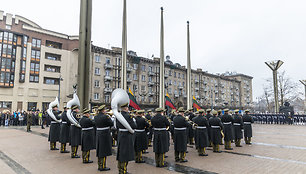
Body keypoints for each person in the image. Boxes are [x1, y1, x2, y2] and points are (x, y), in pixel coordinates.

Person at [116, 103, 137, 174]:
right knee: (125, 153)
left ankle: (120, 169)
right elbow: (134, 126)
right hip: (126, 135)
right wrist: (134, 121)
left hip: (120, 134)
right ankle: (123, 170)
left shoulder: (118, 115)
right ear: (125, 108)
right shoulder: (128, 116)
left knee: (121, 152)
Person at [94, 105, 113, 171]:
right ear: (103, 110)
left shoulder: (95, 117)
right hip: (105, 134)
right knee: (104, 151)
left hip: (99, 134)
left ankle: (100, 165)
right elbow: (111, 123)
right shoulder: (106, 116)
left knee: (100, 150)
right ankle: (102, 166)